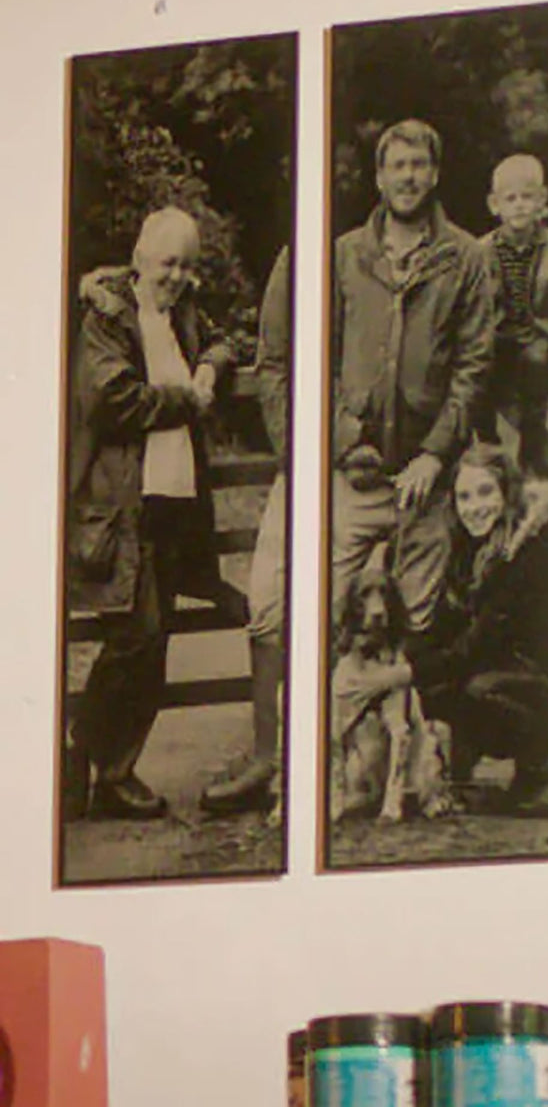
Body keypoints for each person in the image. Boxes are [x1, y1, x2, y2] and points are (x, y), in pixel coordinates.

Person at [64, 206, 232, 820]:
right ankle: (82, 755)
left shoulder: (183, 311)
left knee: (153, 646)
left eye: (187, 265)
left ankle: (110, 772)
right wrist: (187, 400)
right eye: (167, 263)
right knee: (136, 639)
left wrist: (209, 365)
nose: (177, 276)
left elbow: (225, 341)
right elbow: (113, 400)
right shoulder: (108, 317)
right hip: (124, 505)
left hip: (172, 504)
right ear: (139, 259)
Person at [330, 119, 495, 636]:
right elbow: (319, 358)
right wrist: (342, 438)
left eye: (418, 165)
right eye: (397, 166)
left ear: (435, 174)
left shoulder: (465, 256)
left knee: (418, 623)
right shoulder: (345, 254)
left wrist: (435, 453)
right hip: (355, 475)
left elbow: (474, 364)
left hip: (427, 481)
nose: (408, 177)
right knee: (330, 615)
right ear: (379, 177)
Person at [405, 443, 548, 813]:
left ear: (508, 493)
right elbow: (447, 627)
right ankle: (456, 775)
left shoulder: (530, 548)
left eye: (486, 492)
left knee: (479, 688)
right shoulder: (468, 548)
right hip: (523, 667)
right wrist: (406, 657)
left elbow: (478, 643)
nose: (474, 507)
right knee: (443, 681)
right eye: (464, 497)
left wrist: (404, 674)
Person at [200, 245, 290, 815]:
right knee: (268, 601)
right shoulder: (297, 258)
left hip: (389, 464)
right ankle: (268, 757)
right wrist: (296, 446)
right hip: (307, 461)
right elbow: (273, 362)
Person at [476, 153, 548, 477]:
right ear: (494, 204)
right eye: (510, 199)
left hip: (539, 335)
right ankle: (488, 443)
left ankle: (532, 446)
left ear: (542, 200)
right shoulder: (482, 251)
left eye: (527, 197)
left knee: (536, 364)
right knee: (475, 367)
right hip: (498, 334)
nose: (519, 205)